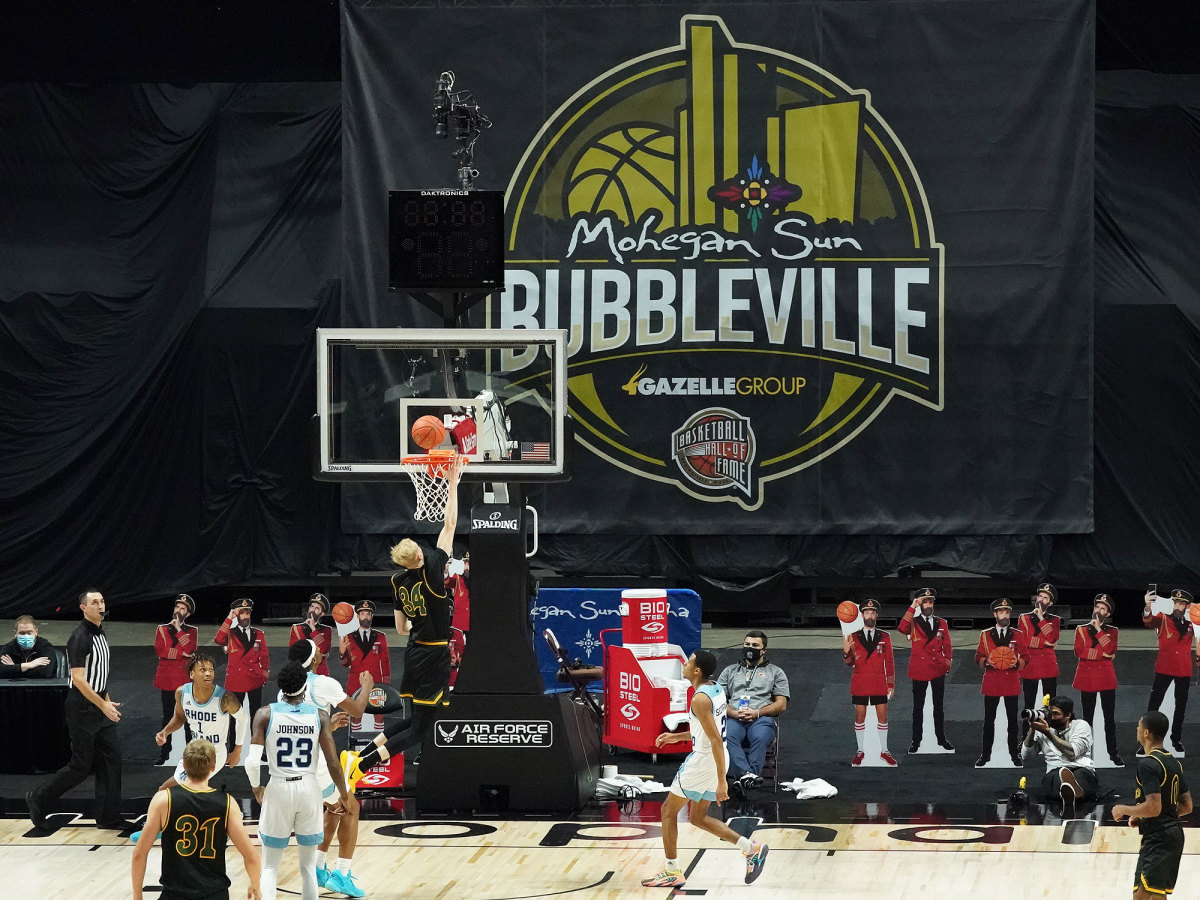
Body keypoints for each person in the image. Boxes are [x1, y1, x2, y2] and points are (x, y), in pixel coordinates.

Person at [341, 455, 467, 790]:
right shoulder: (433, 572)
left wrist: (421, 623)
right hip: (434, 654)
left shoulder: (398, 581)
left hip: (413, 651)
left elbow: (400, 628)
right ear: (421, 558)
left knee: (413, 718)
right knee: (419, 730)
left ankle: (360, 753)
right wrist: (453, 483)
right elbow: (450, 525)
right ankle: (361, 766)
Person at [641, 649, 769, 888]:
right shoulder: (715, 688)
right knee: (698, 818)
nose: (686, 664)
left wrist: (722, 781)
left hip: (705, 761)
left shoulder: (700, 698)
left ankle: (672, 870)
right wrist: (677, 736)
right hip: (715, 758)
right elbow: (708, 730)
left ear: (697, 670)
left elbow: (715, 740)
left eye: (689, 661)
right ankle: (751, 849)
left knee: (668, 810)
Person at [246, 662, 357, 900]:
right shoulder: (320, 715)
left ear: (281, 687)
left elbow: (252, 763)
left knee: (270, 868)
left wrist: (256, 787)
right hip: (309, 789)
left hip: (279, 788)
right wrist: (344, 795)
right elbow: (333, 764)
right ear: (305, 687)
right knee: (307, 869)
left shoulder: (265, 713)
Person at [26, 589, 131, 832]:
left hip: (98, 704)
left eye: (103, 601)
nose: (100, 605)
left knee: (112, 759)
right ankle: (38, 798)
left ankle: (108, 816)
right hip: (82, 708)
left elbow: (100, 675)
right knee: (80, 766)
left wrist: (107, 700)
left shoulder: (100, 633)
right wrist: (102, 703)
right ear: (83, 607)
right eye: (95, 602)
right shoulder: (80, 637)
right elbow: (79, 679)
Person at [286, 639, 375, 899]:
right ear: (314, 659)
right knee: (350, 807)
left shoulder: (285, 689)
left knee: (333, 808)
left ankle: (317, 868)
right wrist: (366, 687)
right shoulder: (323, 683)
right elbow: (357, 711)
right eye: (319, 652)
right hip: (318, 764)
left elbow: (301, 726)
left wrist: (329, 726)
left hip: (294, 763)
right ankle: (342, 874)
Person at [132, 738, 262, 900]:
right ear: (214, 767)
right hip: (215, 894)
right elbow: (251, 856)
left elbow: (139, 854)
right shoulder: (228, 803)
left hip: (175, 894)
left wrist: (137, 895)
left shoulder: (163, 800)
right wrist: (255, 885)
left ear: (184, 766)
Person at [1113, 710, 1193, 899]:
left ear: (1146, 733)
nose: (1137, 729)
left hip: (1159, 839)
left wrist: (1122, 809)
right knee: (1156, 895)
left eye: (1139, 726)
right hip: (1172, 835)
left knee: (1142, 896)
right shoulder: (1172, 761)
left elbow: (1153, 807)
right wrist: (1143, 817)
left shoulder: (1148, 764)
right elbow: (1187, 806)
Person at [155, 652, 248, 790]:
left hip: (215, 752)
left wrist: (237, 750)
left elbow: (244, 719)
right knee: (170, 790)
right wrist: (165, 731)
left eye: (211, 670)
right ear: (192, 674)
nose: (208, 673)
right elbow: (180, 717)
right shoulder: (182, 693)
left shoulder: (225, 698)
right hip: (194, 750)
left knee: (178, 787)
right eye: (203, 670)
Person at [716, 630, 789, 796]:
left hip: (761, 718)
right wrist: (733, 713)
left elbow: (781, 704)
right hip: (735, 717)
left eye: (755, 645)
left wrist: (757, 712)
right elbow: (717, 700)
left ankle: (743, 777)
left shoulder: (776, 672)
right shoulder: (729, 671)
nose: (750, 648)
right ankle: (748, 777)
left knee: (760, 737)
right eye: (747, 644)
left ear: (763, 650)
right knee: (727, 736)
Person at [1020, 695, 1097, 817]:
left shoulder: (1081, 726)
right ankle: (1070, 794)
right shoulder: (1043, 729)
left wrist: (1047, 733)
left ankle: (1070, 793)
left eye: (1056, 714)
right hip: (1055, 770)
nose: (1052, 717)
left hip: (1080, 767)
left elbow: (1072, 753)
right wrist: (1032, 730)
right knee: (1054, 777)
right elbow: (1025, 756)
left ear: (1068, 715)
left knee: (1081, 776)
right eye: (1050, 714)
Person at [842, 599, 897, 766]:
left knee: (883, 716)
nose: (870, 615)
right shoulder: (853, 637)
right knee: (860, 716)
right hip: (860, 682)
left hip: (879, 682)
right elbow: (849, 663)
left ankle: (884, 751)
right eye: (867, 612)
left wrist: (891, 684)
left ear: (876, 615)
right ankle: (860, 751)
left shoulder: (885, 636)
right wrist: (845, 653)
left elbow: (890, 662)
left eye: (873, 612)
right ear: (862, 615)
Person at [898, 587, 954, 752]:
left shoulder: (941, 622)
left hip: (937, 668)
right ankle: (916, 740)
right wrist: (912, 607)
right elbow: (902, 628)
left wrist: (947, 663)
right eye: (925, 602)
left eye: (930, 602)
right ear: (920, 604)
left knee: (938, 706)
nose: (928, 605)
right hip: (920, 668)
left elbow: (947, 645)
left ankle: (941, 738)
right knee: (918, 707)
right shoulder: (913, 622)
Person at [1141, 588, 1196, 755]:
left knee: (1180, 707)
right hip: (1164, 667)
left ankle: (1175, 739)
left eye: (1181, 604)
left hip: (1183, 669)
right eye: (1176, 603)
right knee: (1153, 705)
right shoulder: (1163, 619)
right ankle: (1147, 741)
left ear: (1186, 607)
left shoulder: (1192, 623)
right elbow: (1148, 621)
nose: (1177, 606)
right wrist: (1147, 607)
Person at [974, 598, 1027, 767]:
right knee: (989, 720)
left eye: (1007, 612)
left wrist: (1018, 664)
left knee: (1013, 721)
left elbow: (1026, 656)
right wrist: (986, 661)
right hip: (992, 681)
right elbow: (978, 656)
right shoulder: (985, 634)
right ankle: (985, 755)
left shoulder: (1018, 635)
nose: (1005, 615)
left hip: (1011, 681)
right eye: (1001, 612)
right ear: (995, 614)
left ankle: (1014, 754)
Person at [1072, 592, 1122, 766]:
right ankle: (1085, 753)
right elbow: (1079, 651)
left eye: (1103, 609)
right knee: (1087, 718)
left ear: (1107, 614)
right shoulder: (1081, 629)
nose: (1099, 611)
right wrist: (1103, 655)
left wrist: (1100, 631)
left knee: (1109, 718)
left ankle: (1113, 753)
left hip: (1106, 677)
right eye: (1097, 607)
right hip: (1087, 677)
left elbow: (1111, 648)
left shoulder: (1113, 631)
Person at [214, 597, 270, 745]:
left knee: (256, 715)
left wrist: (264, 674)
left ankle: (257, 746)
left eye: (248, 613)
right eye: (242, 613)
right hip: (236, 680)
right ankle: (232, 747)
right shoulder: (230, 632)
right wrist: (229, 618)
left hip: (254, 679)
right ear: (237, 615)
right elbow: (218, 640)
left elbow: (264, 656)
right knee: (233, 715)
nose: (245, 616)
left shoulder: (259, 634)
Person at [152, 593, 198, 764]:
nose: (179, 611)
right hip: (167, 678)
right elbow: (160, 650)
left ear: (188, 614)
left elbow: (191, 650)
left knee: (188, 718)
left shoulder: (192, 631)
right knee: (167, 716)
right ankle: (165, 752)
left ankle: (189, 753)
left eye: (183, 609)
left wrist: (179, 630)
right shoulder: (161, 629)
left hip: (184, 680)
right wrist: (180, 654)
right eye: (177, 607)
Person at [1017, 582, 1060, 715]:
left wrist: (1041, 617)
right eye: (1040, 596)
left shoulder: (1055, 620)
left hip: (1048, 666)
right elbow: (1022, 640)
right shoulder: (1024, 618)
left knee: (1049, 703)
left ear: (1050, 603)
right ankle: (1027, 733)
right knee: (1029, 703)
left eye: (1045, 598)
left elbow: (1052, 638)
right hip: (1031, 665)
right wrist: (1044, 643)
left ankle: (1049, 732)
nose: (1041, 599)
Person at [338, 599, 390, 690]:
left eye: (368, 614)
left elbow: (385, 662)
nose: (365, 617)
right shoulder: (348, 637)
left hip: (375, 682)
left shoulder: (380, 637)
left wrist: (386, 685)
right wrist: (342, 654)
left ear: (372, 616)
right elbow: (346, 664)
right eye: (362, 614)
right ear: (358, 616)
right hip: (355, 683)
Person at [0, 614, 58, 679]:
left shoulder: (45, 646)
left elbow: (45, 673)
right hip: (15, 687)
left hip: (42, 687)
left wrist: (15, 668)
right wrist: (28, 665)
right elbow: (1, 671)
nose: (26, 636)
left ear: (36, 632)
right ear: (15, 634)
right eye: (22, 633)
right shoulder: (9, 647)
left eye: (29, 633)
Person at [289, 593, 334, 677]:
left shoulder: (327, 630)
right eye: (312, 606)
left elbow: (323, 650)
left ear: (322, 614)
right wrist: (318, 654)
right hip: (301, 672)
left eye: (317, 608)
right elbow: (293, 653)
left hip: (320, 673)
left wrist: (313, 628)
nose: (312, 610)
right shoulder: (296, 628)